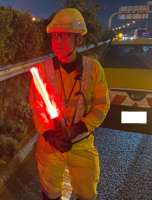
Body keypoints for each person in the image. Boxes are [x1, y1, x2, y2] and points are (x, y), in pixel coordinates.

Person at [29, 8, 110, 200]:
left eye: (64, 36)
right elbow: (37, 108)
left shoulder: (94, 68)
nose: (57, 41)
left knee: (86, 193)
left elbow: (102, 106)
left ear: (79, 40)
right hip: (50, 145)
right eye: (54, 36)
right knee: (50, 193)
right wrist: (50, 136)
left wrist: (77, 128)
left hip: (81, 143)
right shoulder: (42, 70)